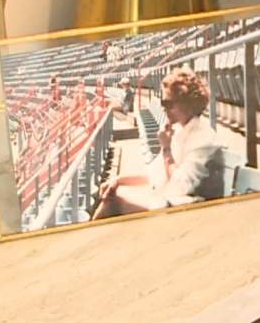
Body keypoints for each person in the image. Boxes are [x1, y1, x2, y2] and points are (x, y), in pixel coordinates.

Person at [94, 69, 226, 218]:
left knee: (114, 201)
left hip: (192, 212)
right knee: (114, 192)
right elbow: (153, 175)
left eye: (167, 103)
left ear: (187, 103)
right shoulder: (179, 130)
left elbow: (179, 186)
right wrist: (118, 180)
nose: (163, 108)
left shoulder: (203, 139)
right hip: (175, 202)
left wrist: (166, 149)